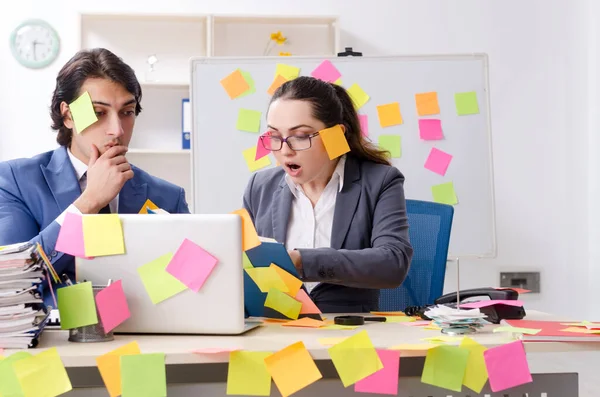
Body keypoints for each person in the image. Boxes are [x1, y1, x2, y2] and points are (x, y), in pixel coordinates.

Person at [0, 48, 190, 306]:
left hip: (146, 339)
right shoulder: (15, 181)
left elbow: (190, 287)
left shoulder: (167, 196)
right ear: (68, 115)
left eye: (127, 112)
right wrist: (88, 203)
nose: (117, 130)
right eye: (99, 112)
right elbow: (11, 281)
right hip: (54, 342)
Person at [242, 76, 413, 313]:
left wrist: (302, 261)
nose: (285, 150)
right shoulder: (260, 186)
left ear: (337, 135)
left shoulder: (380, 181)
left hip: (350, 332)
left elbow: (393, 264)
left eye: (300, 136)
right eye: (274, 137)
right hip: (277, 330)